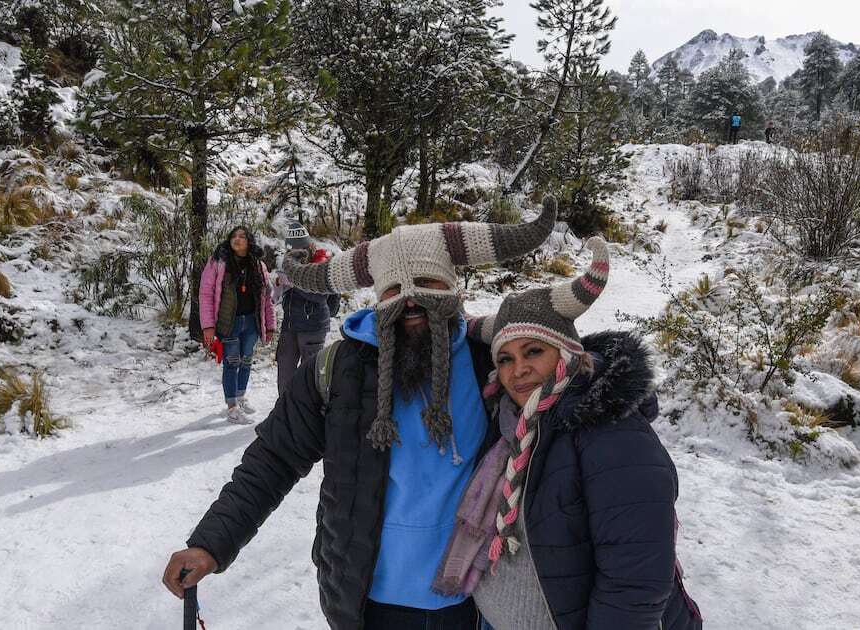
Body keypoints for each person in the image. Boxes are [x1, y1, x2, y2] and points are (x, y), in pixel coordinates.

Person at [162, 200, 559, 630]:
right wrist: (211, 544)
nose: (410, 302)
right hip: (368, 602)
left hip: (477, 600)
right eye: (392, 291)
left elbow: (567, 403)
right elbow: (274, 458)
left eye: (426, 282)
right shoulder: (336, 371)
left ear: (454, 289)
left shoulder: (496, 364)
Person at [435, 237, 702, 630]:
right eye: (505, 358)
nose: (518, 370)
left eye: (534, 352)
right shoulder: (508, 423)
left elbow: (635, 575)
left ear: (567, 354)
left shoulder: (609, 429)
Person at [198, 226, 276, 425]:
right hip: (228, 323)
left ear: (249, 241)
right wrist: (208, 326)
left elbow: (267, 298)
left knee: (246, 361)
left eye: (242, 236)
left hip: (251, 322)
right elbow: (206, 294)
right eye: (233, 236)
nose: (237, 239)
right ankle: (231, 407)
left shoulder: (258, 265)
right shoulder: (217, 262)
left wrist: (270, 325)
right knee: (232, 363)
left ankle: (240, 397)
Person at [273, 221, 340, 396]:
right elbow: (278, 295)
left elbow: (319, 296)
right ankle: (285, 410)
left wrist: (292, 281)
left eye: (300, 250)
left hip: (313, 326)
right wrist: (279, 284)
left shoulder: (321, 262)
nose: (295, 255)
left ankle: (307, 414)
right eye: (291, 252)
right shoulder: (288, 263)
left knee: (309, 374)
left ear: (309, 246)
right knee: (285, 371)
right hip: (290, 325)